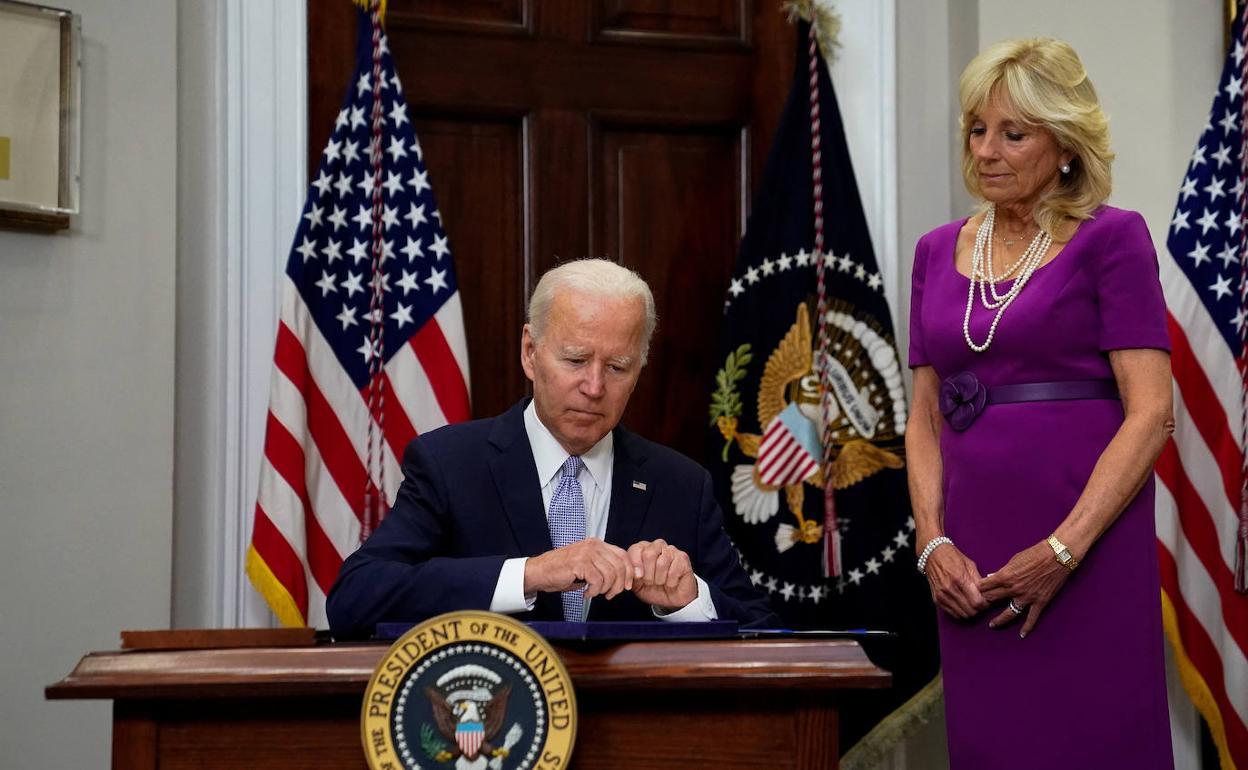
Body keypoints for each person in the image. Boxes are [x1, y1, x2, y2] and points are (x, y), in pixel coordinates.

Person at [906, 38, 1175, 768]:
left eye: (1013, 133)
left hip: (1086, 553)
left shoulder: (1112, 240)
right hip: (972, 565)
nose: (987, 150)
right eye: (977, 129)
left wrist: (1063, 549)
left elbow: (1152, 412)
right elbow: (923, 417)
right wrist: (932, 544)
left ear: (1065, 144)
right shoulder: (934, 251)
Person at [327, 258, 777, 638]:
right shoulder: (450, 465)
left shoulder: (680, 483)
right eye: (576, 360)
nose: (594, 387)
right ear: (530, 352)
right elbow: (356, 598)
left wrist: (687, 600)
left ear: (639, 370)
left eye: (618, 366)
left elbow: (766, 632)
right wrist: (531, 574)